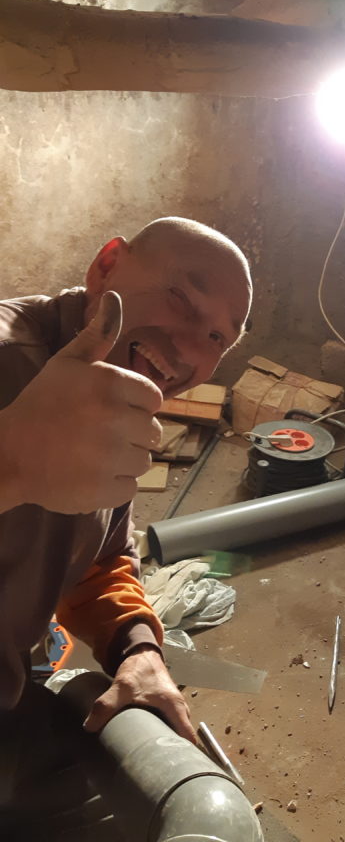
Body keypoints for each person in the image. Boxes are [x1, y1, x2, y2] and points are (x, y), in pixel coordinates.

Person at [0, 216, 252, 839]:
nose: (189, 348)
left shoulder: (117, 400)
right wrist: (10, 462)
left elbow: (98, 559)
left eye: (216, 336)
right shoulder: (10, 358)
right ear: (106, 265)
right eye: (181, 298)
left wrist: (137, 649)